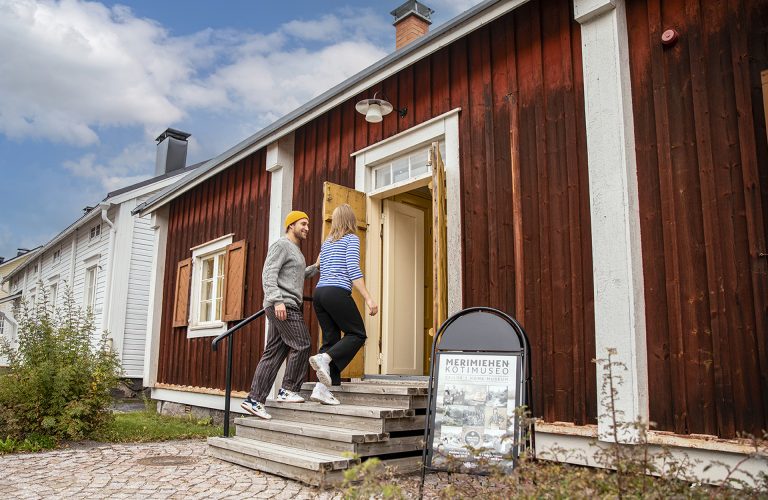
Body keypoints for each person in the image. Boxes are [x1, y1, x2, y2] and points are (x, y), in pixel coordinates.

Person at [240, 210, 319, 419]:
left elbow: (296, 275)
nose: (307, 228)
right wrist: (277, 300)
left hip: (285, 304)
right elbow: (269, 273)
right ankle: (288, 389)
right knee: (302, 343)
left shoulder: (296, 251)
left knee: (273, 353)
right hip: (283, 305)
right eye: (303, 224)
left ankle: (255, 400)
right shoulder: (281, 245)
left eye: (308, 225)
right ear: (291, 225)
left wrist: (316, 267)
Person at [308, 204, 378, 405]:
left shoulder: (327, 242)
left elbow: (319, 264)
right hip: (336, 291)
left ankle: (322, 389)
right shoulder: (351, 239)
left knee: (331, 341)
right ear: (351, 220)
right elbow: (352, 269)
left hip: (319, 294)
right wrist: (368, 298)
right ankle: (325, 358)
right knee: (357, 334)